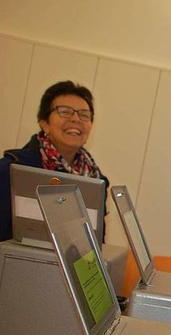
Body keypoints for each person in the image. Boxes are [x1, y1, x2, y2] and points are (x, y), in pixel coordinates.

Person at [0, 80, 109, 243]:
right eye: (65, 112)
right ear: (45, 123)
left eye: (84, 114)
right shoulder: (11, 170)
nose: (75, 119)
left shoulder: (96, 180)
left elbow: (96, 242)